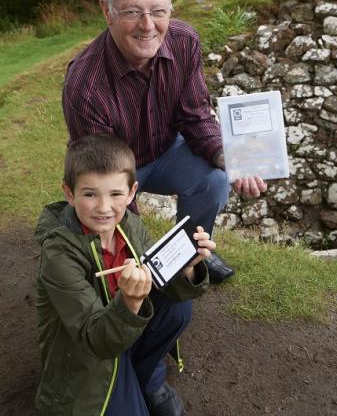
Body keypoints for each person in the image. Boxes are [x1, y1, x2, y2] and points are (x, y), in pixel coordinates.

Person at [62, 0, 267, 284]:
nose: (147, 25)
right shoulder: (84, 84)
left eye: (158, 11)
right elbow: (103, 174)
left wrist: (224, 155)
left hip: (166, 151)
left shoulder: (185, 42)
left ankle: (189, 253)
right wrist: (139, 251)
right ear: (106, 11)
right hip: (110, 168)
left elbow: (196, 116)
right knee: (123, 246)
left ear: (170, 9)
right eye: (132, 11)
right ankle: (135, 262)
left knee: (214, 181)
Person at [35, 134, 215, 416]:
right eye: (90, 194)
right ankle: (129, 379)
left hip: (119, 329)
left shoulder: (129, 223)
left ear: (132, 192)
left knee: (178, 308)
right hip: (87, 353)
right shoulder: (58, 255)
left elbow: (164, 284)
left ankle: (144, 377)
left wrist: (187, 267)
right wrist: (130, 302)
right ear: (69, 193)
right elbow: (93, 338)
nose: (104, 208)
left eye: (116, 194)